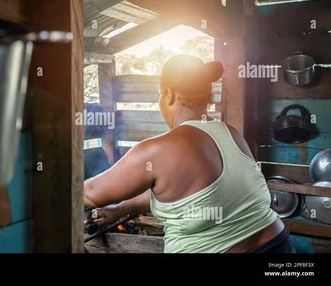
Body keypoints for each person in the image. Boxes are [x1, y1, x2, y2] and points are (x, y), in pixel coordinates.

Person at [83, 55, 295, 253]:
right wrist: (120, 209)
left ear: (169, 94)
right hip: (278, 243)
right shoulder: (231, 134)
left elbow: (89, 192)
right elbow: (182, 194)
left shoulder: (159, 149)